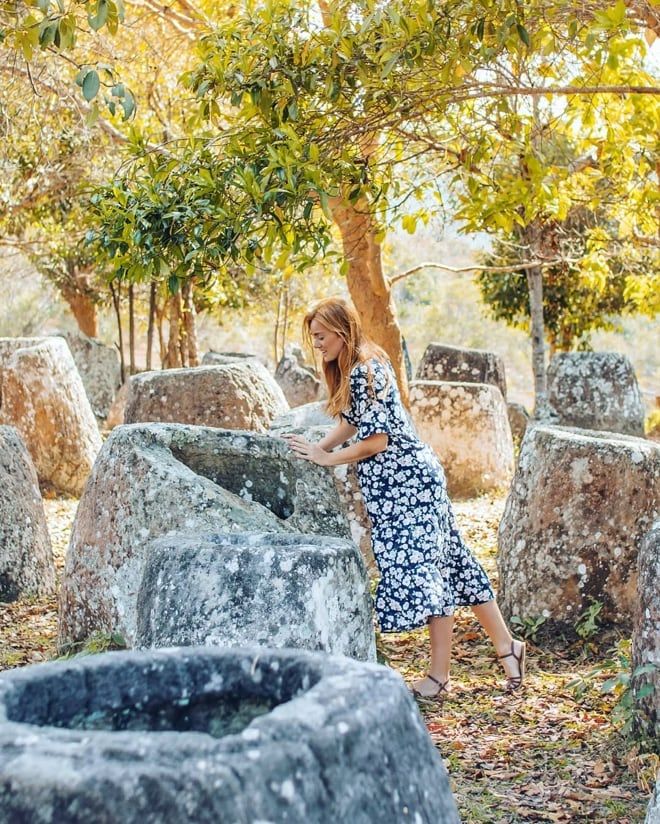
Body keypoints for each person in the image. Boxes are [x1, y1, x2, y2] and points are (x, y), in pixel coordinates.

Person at [282, 297, 525, 699]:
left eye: (322, 337)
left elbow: (377, 440)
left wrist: (328, 458)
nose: (318, 345)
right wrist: (317, 448)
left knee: (431, 573)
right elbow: (351, 421)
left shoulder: (367, 369)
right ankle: (507, 646)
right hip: (409, 481)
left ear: (342, 332)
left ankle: (439, 677)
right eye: (314, 338)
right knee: (455, 564)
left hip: (408, 484)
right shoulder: (361, 366)